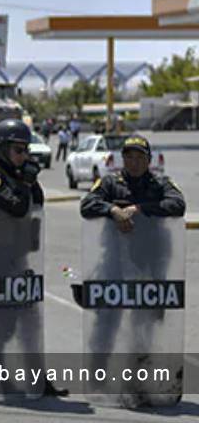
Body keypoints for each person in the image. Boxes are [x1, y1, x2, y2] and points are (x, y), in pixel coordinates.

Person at [79, 134, 186, 406]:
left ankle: (136, 383)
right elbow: (87, 205)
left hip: (148, 266)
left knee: (144, 327)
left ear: (148, 161)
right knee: (106, 324)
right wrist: (113, 210)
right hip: (114, 264)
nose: (134, 162)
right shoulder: (110, 183)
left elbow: (177, 204)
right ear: (123, 159)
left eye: (140, 157)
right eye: (129, 156)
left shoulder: (160, 184)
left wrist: (139, 209)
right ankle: (99, 380)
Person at [0, 119, 65, 398]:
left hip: (19, 256)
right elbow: (18, 207)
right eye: (18, 150)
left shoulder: (16, 175)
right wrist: (25, 182)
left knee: (30, 321)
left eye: (26, 150)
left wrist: (30, 180)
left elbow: (37, 203)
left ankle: (38, 379)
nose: (24, 156)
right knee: (2, 323)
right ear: (2, 149)